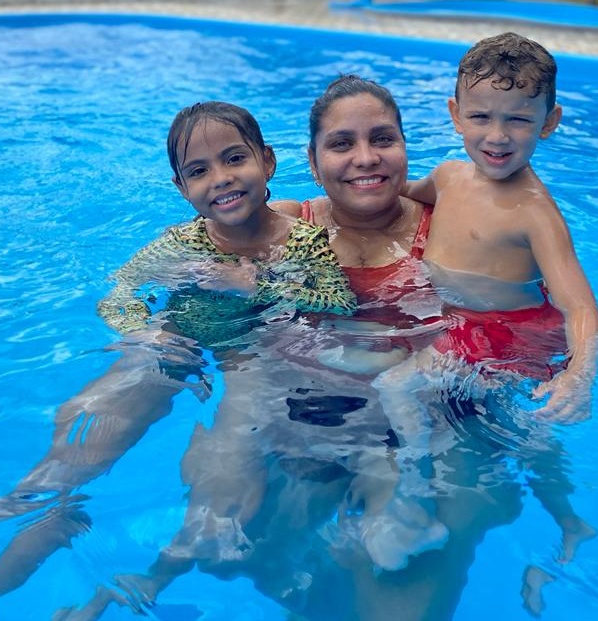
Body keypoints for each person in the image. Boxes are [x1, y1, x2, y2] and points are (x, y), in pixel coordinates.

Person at [60, 76, 527, 621]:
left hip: (428, 420)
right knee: (244, 549)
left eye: (382, 138)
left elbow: (510, 331)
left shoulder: (453, 230)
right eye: (341, 143)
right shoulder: (285, 226)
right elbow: (191, 261)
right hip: (311, 418)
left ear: (405, 145)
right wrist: (152, 331)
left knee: (396, 578)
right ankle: (153, 575)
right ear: (311, 160)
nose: (365, 158)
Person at [0, 100, 356, 621]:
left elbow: (338, 301)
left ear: (267, 161)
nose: (220, 178)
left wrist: (255, 285)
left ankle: (154, 571)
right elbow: (119, 293)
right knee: (89, 418)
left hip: (250, 352)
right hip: (177, 341)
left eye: (234, 158)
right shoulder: (180, 243)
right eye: (199, 171)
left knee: (229, 468)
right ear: (181, 188)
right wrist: (143, 333)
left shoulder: (303, 242)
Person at [370, 32, 598, 576]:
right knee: (524, 432)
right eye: (480, 116)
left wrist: (580, 376)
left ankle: (414, 499)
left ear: (549, 122)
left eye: (518, 120)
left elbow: (582, 307)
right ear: (456, 114)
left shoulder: (535, 213)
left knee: (395, 387)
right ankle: (569, 520)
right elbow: (399, 196)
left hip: (507, 331)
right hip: (461, 323)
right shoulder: (449, 177)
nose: (497, 136)